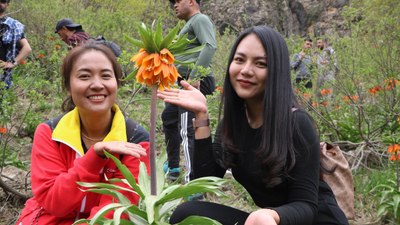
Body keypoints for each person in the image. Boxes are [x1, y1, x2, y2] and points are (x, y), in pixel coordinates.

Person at [158, 26, 348, 225]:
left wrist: (271, 215)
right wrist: (201, 116)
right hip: (264, 221)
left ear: (276, 71)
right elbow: (205, 178)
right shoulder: (233, 124)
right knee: (187, 214)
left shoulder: (297, 124)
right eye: (239, 60)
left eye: (260, 63)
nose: (246, 70)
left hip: (313, 220)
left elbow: (306, 205)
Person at [15, 42, 150, 225]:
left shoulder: (135, 139)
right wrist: (94, 157)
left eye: (106, 76)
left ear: (117, 84)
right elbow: (54, 204)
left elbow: (116, 212)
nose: (96, 85)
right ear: (69, 87)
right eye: (84, 76)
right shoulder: (50, 133)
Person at [162, 0, 217, 182]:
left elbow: (210, 45)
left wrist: (193, 79)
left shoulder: (199, 19)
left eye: (178, 1)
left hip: (194, 82)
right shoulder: (189, 24)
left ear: (192, 1)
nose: (174, 5)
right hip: (184, 83)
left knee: (187, 129)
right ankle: (174, 167)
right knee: (169, 118)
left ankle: (193, 180)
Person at [0, 0, 32, 89]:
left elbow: (27, 48)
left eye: (3, 1)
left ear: (7, 5)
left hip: (2, 75)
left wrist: (13, 63)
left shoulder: (12, 26)